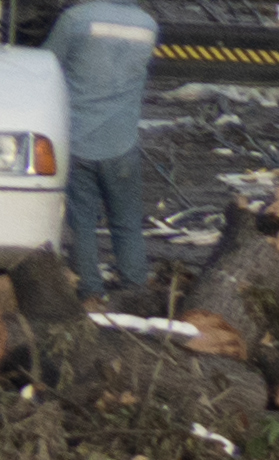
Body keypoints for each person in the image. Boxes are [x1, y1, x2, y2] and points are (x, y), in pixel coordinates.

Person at [54, 0, 153, 298]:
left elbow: (46, 65)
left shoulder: (75, 18)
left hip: (78, 139)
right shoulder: (148, 25)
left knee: (81, 222)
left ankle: (91, 292)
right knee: (126, 222)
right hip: (122, 141)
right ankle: (135, 290)